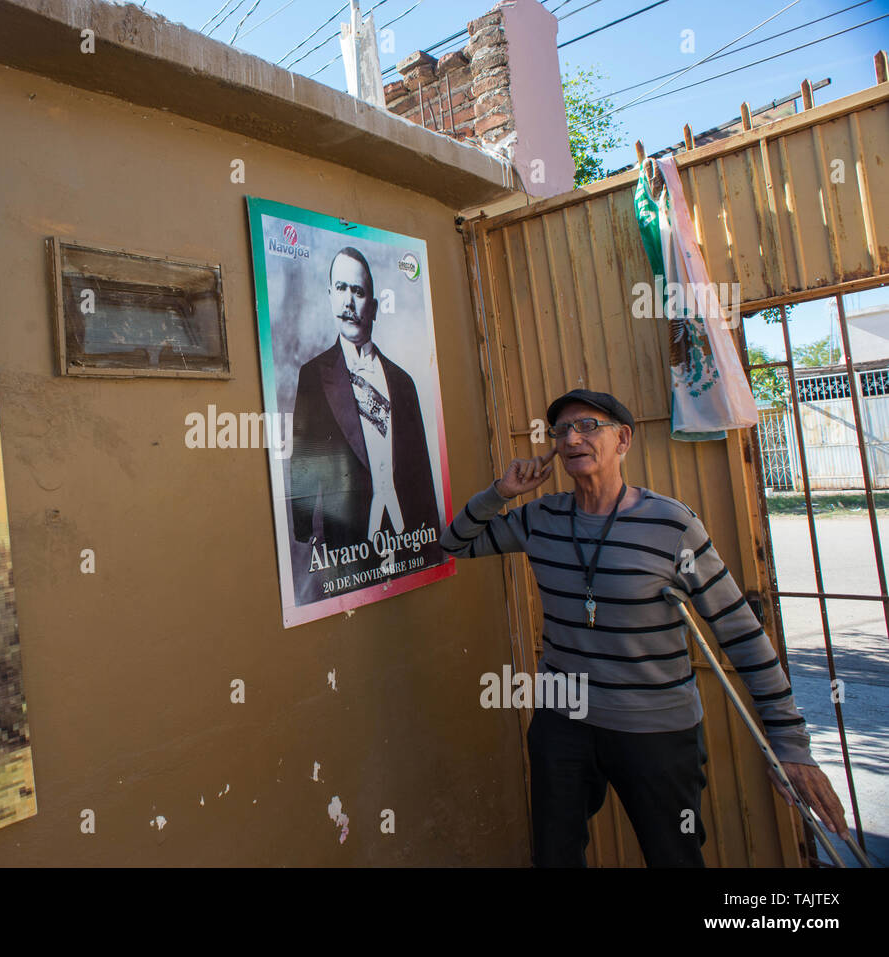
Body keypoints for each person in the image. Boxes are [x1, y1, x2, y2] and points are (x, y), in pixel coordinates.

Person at [440, 388, 850, 867]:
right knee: (554, 856)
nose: (572, 437)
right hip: (562, 723)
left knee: (673, 855)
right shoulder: (539, 519)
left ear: (623, 440)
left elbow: (740, 633)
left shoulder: (671, 525)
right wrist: (501, 493)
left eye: (589, 426)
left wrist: (790, 744)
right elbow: (455, 545)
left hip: (656, 730)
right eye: (561, 430)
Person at [289, 247, 441, 565]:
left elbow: (420, 472)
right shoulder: (314, 376)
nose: (348, 302)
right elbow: (304, 459)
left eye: (358, 291)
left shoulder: (403, 382)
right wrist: (304, 530)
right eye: (341, 289)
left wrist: (431, 544)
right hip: (349, 540)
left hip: (407, 535)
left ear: (373, 306)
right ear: (330, 295)